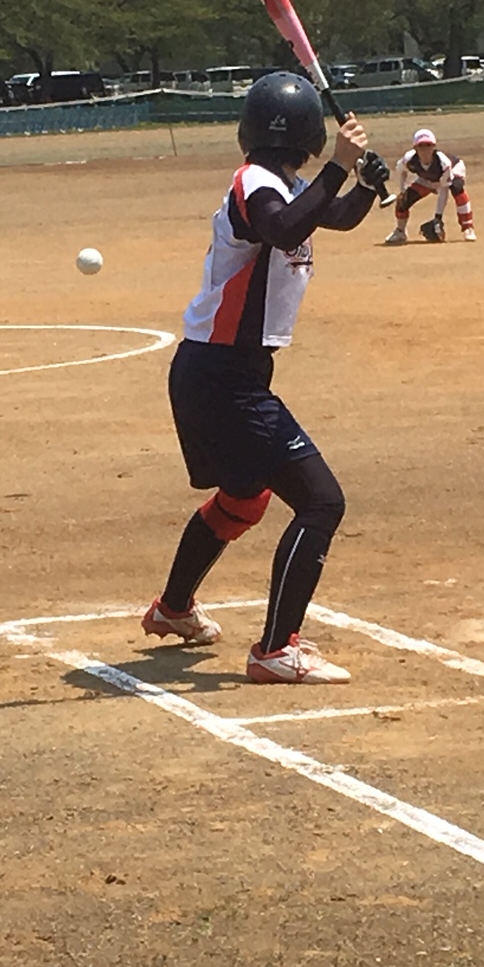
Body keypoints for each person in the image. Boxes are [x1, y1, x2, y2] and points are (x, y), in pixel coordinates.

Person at [140, 72, 385, 684]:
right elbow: (281, 227)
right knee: (322, 501)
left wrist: (369, 186)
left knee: (243, 500)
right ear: (306, 135)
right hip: (223, 377)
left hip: (219, 373)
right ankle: (277, 649)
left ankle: (173, 610)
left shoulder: (284, 184)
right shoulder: (255, 186)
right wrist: (339, 164)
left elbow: (331, 216)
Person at [384, 128, 475, 244]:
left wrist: (438, 216)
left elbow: (443, 190)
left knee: (457, 188)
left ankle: (468, 228)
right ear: (415, 148)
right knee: (403, 201)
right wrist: (402, 190)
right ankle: (400, 231)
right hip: (428, 178)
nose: (425, 150)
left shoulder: (444, 163)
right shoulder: (409, 159)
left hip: (454, 170)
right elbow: (401, 171)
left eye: (428, 145)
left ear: (434, 147)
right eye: (421, 146)